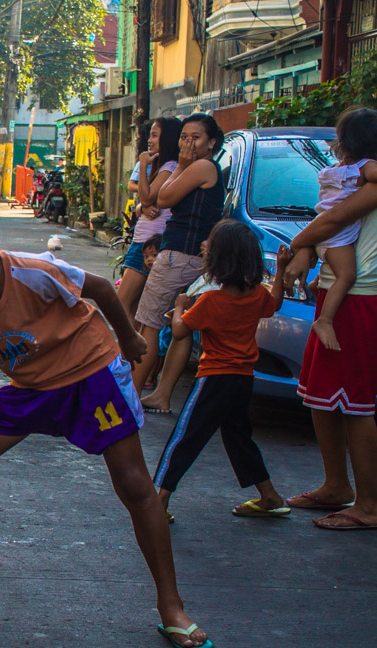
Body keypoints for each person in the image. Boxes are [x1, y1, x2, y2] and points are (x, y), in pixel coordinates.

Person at [0, 182, 213, 648]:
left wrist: (130, 341)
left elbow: (99, 287)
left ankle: (172, 607)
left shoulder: (34, 270)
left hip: (91, 375)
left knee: (135, 486)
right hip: (32, 387)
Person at [152, 220, 290, 519]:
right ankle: (269, 496)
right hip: (242, 378)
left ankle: (158, 501)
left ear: (217, 260)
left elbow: (179, 332)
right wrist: (280, 270)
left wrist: (179, 306)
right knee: (238, 436)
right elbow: (275, 304)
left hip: (214, 377)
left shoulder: (211, 299)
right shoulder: (256, 295)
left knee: (186, 436)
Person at [281, 106, 377, 532]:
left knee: (356, 403)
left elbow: (335, 219)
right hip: (338, 289)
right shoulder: (353, 177)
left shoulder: (370, 180)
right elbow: (329, 218)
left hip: (360, 295)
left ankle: (369, 504)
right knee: (324, 395)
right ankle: (337, 485)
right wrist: (305, 248)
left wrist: (297, 245)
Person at [132, 113, 226, 392]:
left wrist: (181, 165)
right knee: (179, 329)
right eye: (184, 137)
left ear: (212, 143)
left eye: (195, 138)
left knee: (149, 324)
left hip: (179, 254)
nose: (187, 143)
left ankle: (131, 393)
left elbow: (163, 198)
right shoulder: (204, 167)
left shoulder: (202, 167)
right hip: (189, 255)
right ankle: (161, 395)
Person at [281, 107, 377, 351]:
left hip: (351, 287)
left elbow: (329, 218)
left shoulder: (340, 170)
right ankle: (325, 319)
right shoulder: (366, 174)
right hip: (359, 293)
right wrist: (301, 245)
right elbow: (333, 220)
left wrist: (303, 245)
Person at [118, 118, 181, 320]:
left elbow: (147, 196)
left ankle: (127, 349)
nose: (150, 141)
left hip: (150, 242)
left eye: (154, 135)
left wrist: (144, 164)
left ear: (167, 139)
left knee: (122, 303)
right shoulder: (165, 166)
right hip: (146, 241)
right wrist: (141, 206)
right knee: (134, 306)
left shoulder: (169, 166)